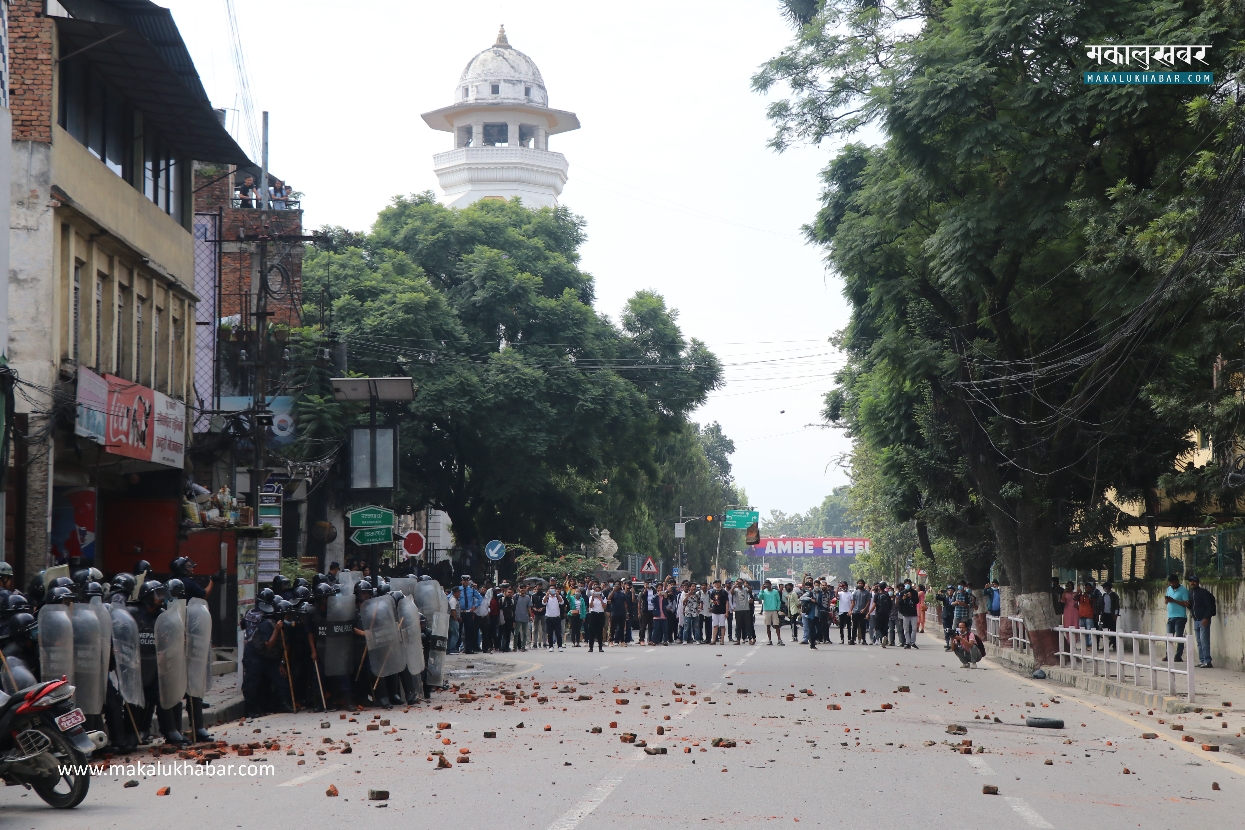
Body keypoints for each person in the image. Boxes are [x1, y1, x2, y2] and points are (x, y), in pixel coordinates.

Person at [1188, 576, 1216, 668]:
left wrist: (1206, 618)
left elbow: (1209, 606)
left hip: (1203, 619)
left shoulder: (1203, 592)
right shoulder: (1191, 593)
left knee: (1204, 641)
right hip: (1196, 619)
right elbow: (1192, 606)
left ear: (1198, 582)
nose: (1193, 583)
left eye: (1194, 581)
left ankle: (1207, 661)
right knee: (1199, 641)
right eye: (1191, 581)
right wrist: (1188, 605)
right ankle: (1202, 660)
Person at [1163, 573, 1190, 663]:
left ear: (1177, 581)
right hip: (1170, 616)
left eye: (1173, 583)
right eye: (1170, 583)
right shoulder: (1169, 589)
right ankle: (1168, 655)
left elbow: (1186, 604)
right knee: (1169, 636)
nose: (1172, 585)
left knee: (1179, 637)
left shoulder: (1183, 590)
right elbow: (1166, 602)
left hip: (1180, 617)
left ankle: (1178, 656)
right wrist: (1167, 600)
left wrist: (1173, 600)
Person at [459, 576, 482, 653]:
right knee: (458, 631)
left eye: (466, 580)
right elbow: (449, 597)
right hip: (460, 612)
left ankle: (468, 649)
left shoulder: (472, 590)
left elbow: (480, 598)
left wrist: (475, 607)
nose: (465, 582)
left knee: (469, 631)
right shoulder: (458, 589)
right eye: (464, 580)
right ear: (461, 581)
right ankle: (456, 648)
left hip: (468, 612)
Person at [759, 580, 784, 645]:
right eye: (765, 584)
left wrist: (777, 608)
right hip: (767, 610)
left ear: (770, 585)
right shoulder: (764, 592)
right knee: (768, 626)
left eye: (768, 584)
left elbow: (779, 600)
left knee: (776, 625)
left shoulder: (775, 592)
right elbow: (760, 597)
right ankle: (769, 640)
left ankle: (779, 639)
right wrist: (761, 590)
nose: (767, 586)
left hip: (774, 610)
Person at [897, 581, 920, 648]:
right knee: (906, 629)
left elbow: (917, 601)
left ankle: (913, 642)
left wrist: (912, 597)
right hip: (905, 614)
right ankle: (907, 642)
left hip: (913, 614)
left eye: (908, 584)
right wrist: (903, 598)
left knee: (914, 629)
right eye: (906, 584)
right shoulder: (902, 592)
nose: (907, 585)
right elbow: (899, 603)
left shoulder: (914, 592)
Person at [586, 582, 607, 653]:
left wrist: (600, 599)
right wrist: (592, 598)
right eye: (596, 591)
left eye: (599, 591)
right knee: (591, 631)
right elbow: (591, 606)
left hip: (600, 614)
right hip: (593, 614)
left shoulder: (603, 597)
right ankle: (591, 647)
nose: (597, 592)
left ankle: (600, 647)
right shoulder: (591, 597)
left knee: (599, 631)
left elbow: (604, 607)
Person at [1098, 581, 1119, 649]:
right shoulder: (1104, 595)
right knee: (1105, 630)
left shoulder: (1114, 595)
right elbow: (1102, 605)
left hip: (1111, 615)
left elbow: (1116, 606)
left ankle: (1114, 645)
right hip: (1105, 615)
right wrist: (1101, 614)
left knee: (1113, 630)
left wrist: (1115, 615)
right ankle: (1106, 645)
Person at [543, 584, 564, 651]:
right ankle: (551, 646)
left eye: (553, 589)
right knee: (549, 633)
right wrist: (547, 595)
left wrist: (557, 595)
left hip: (557, 617)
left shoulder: (558, 596)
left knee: (558, 633)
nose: (552, 590)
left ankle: (559, 646)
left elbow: (562, 602)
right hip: (549, 618)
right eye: (551, 589)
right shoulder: (547, 597)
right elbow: (543, 603)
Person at [709, 580, 729, 645]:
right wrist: (712, 602)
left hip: (722, 611)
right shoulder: (713, 591)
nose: (716, 584)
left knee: (722, 626)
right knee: (715, 626)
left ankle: (722, 639)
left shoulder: (724, 592)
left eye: (718, 583)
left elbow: (727, 602)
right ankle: (714, 639)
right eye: (715, 583)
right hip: (715, 611)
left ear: (720, 583)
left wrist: (726, 611)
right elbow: (711, 599)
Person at [851, 580, 870, 645]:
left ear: (864, 584)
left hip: (863, 612)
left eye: (861, 583)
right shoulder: (855, 592)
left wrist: (865, 610)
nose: (860, 584)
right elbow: (853, 602)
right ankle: (852, 639)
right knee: (854, 627)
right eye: (859, 583)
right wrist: (850, 610)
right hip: (855, 612)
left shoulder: (867, 593)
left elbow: (868, 602)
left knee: (863, 627)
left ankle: (863, 640)